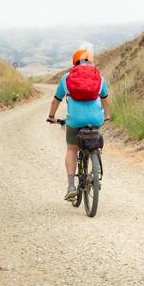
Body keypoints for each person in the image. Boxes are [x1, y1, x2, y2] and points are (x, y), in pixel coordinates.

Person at [47, 48, 109, 202]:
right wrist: (107, 116)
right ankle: (94, 167)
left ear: (74, 62)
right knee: (93, 139)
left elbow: (56, 100)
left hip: (75, 120)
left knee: (72, 149)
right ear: (91, 62)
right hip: (95, 119)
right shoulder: (99, 77)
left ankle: (70, 187)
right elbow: (105, 99)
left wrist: (51, 116)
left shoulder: (67, 78)